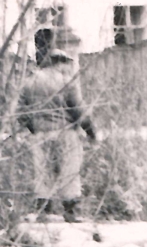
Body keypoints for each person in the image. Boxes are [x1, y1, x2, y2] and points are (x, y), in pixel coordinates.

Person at [17, 42, 95, 223]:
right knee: (69, 170)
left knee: (42, 172)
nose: (69, 67)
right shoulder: (66, 81)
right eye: (67, 62)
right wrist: (91, 131)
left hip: (40, 134)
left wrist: (34, 128)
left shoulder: (30, 81)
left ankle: (44, 212)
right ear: (60, 62)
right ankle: (71, 212)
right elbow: (79, 110)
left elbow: (21, 112)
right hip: (64, 132)